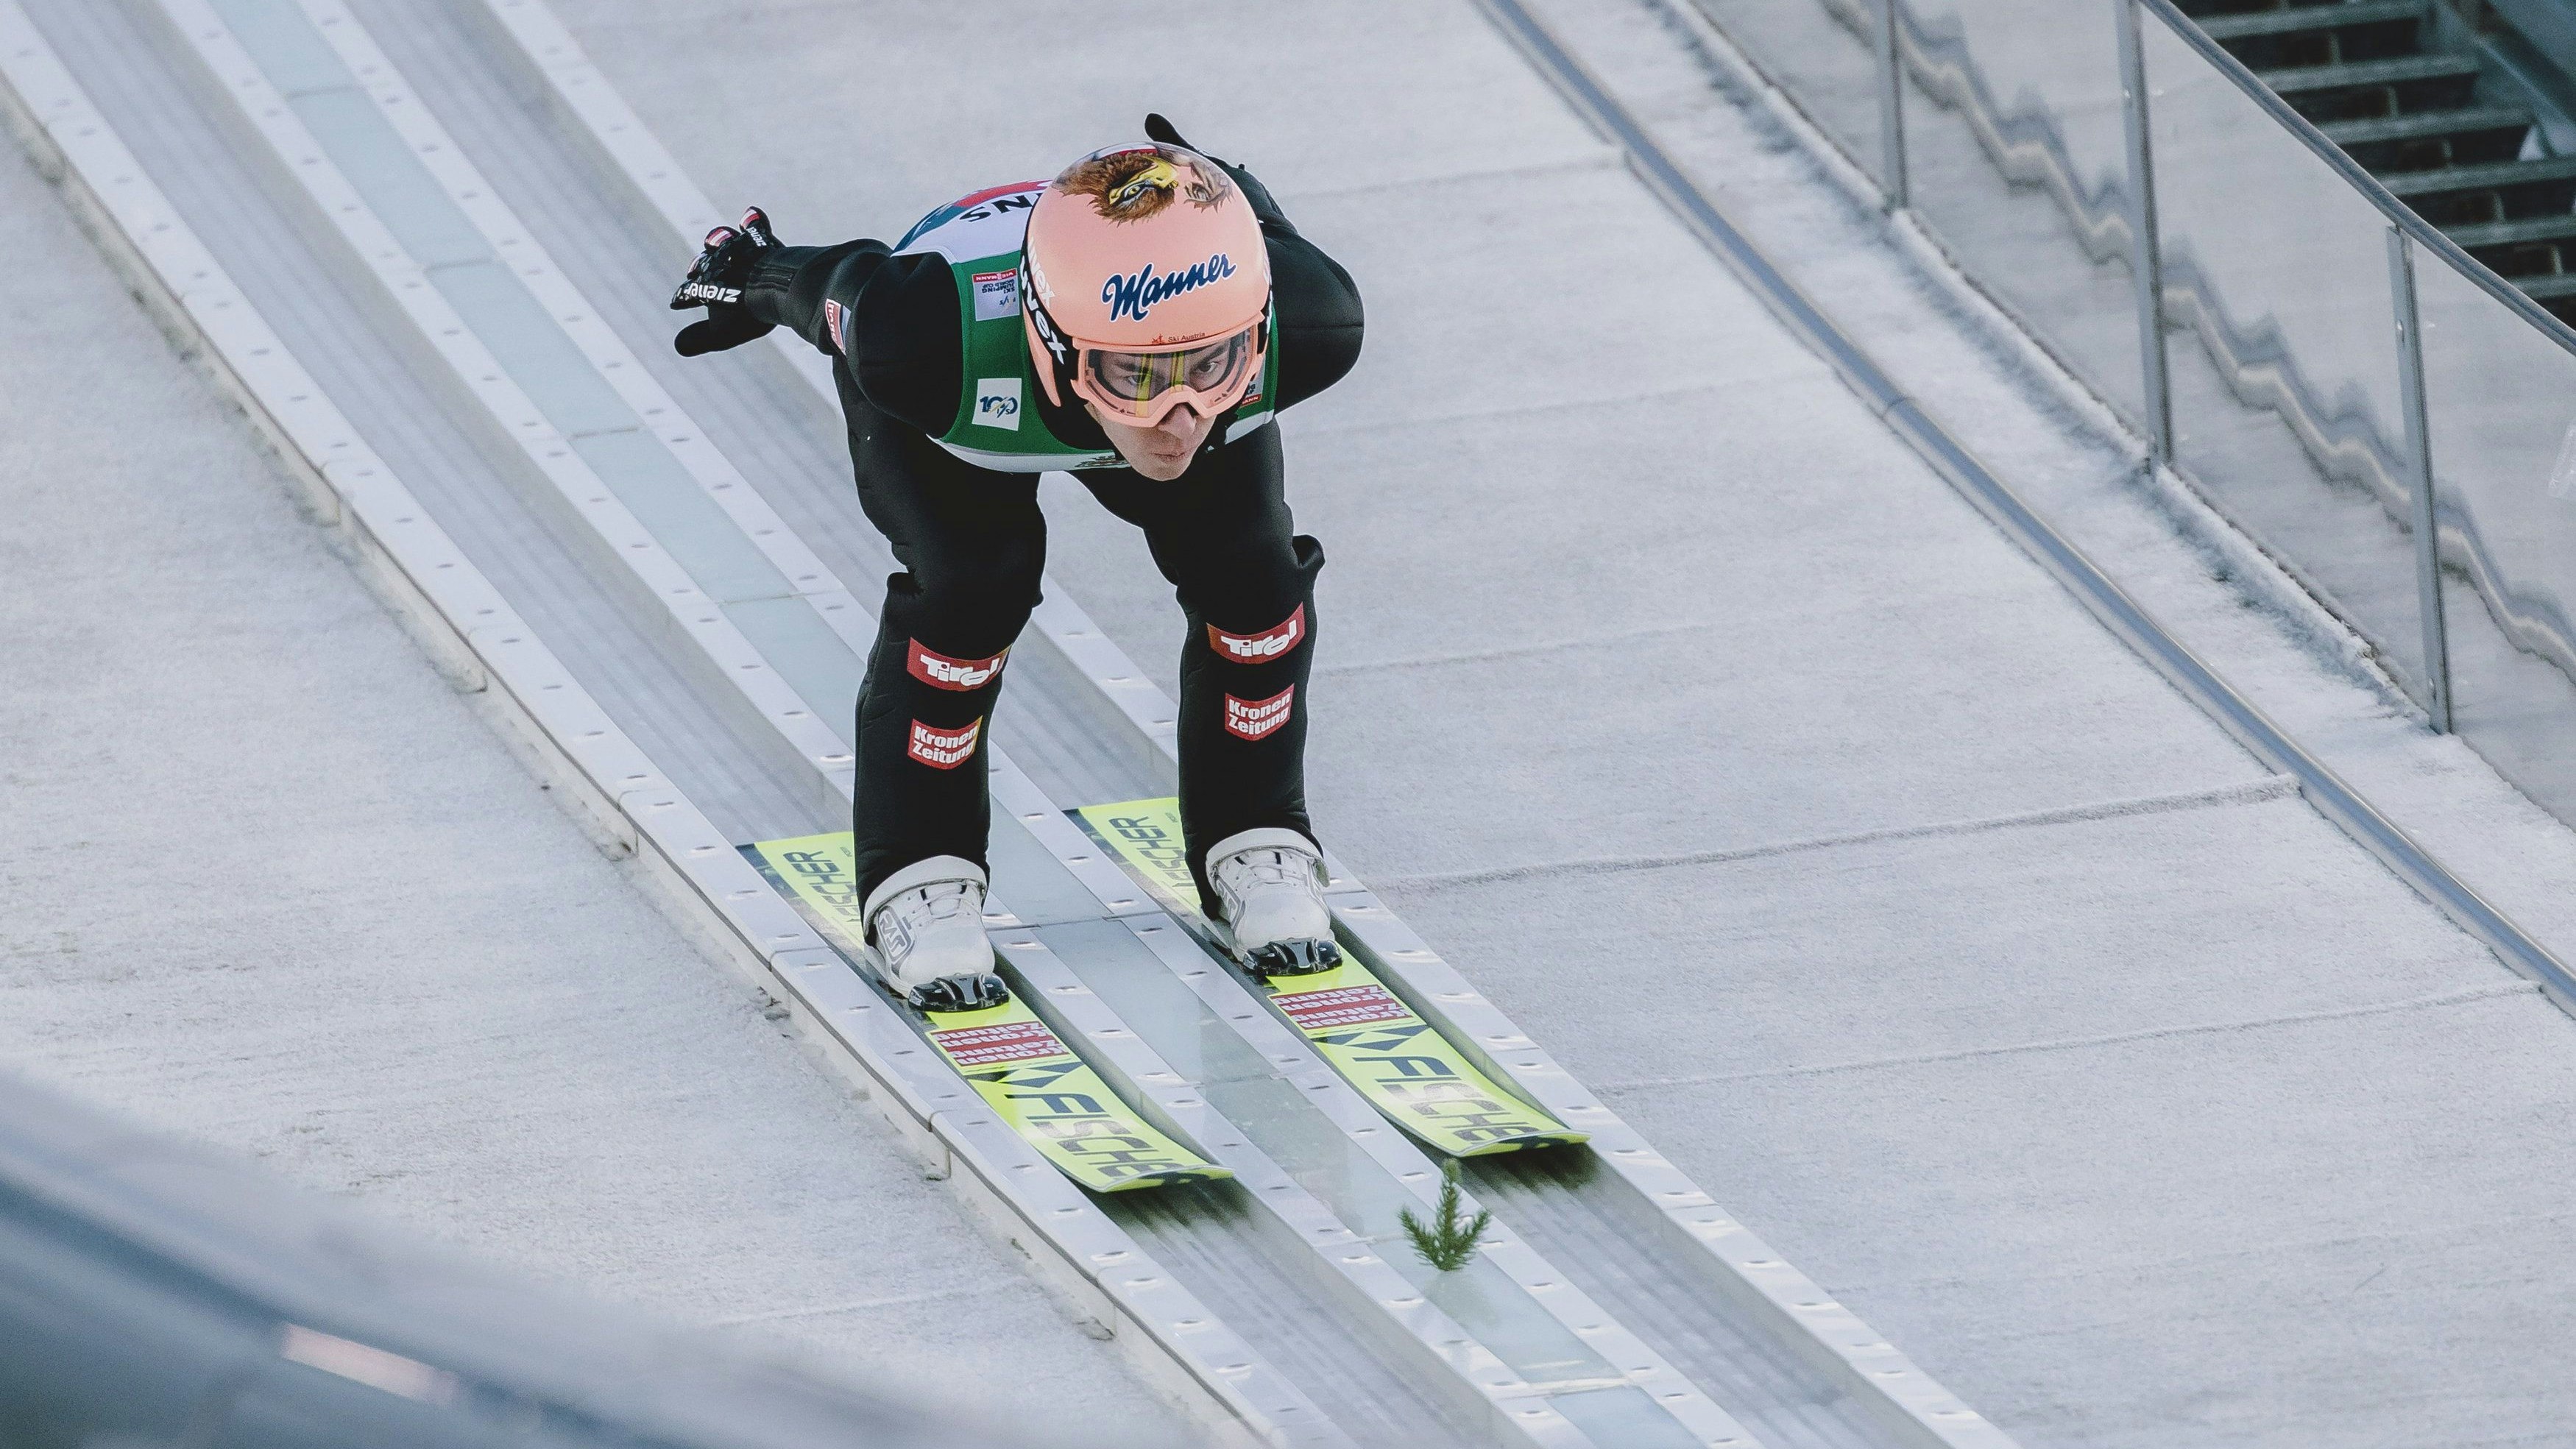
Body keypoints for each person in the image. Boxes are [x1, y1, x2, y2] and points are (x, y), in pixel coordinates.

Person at [670, 116, 1364, 1010]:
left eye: (1213, 363)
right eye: (1137, 377)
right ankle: (918, 872)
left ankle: (1258, 834)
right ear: (1049, 339)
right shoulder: (920, 337)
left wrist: (1219, 191)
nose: (1181, 416)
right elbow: (836, 282)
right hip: (967, 405)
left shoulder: (1310, 317)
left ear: (1256, 328)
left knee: (1255, 585)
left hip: (1067, 359)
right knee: (972, 589)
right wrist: (755, 273)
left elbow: (1263, 241)